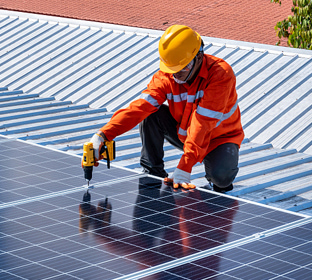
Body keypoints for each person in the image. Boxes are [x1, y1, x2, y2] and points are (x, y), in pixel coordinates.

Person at [89, 24, 244, 192]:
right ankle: (152, 171)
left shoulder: (220, 74)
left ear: (199, 58)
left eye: (182, 67)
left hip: (219, 139)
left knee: (221, 176)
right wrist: (103, 134)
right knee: (149, 113)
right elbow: (140, 108)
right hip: (185, 134)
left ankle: (218, 179)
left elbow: (203, 124)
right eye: (172, 68)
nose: (176, 73)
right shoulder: (167, 76)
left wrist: (185, 166)